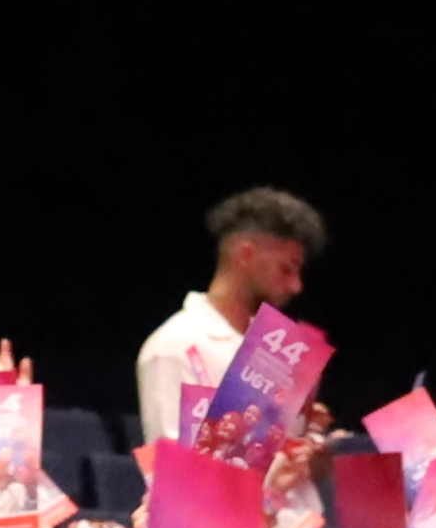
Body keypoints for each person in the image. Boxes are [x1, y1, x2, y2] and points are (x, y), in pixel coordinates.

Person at [134, 183, 323, 443]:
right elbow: (175, 477)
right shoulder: (174, 346)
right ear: (244, 255)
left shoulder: (276, 354)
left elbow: (284, 464)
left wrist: (311, 450)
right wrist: (275, 478)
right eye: (286, 269)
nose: (296, 286)